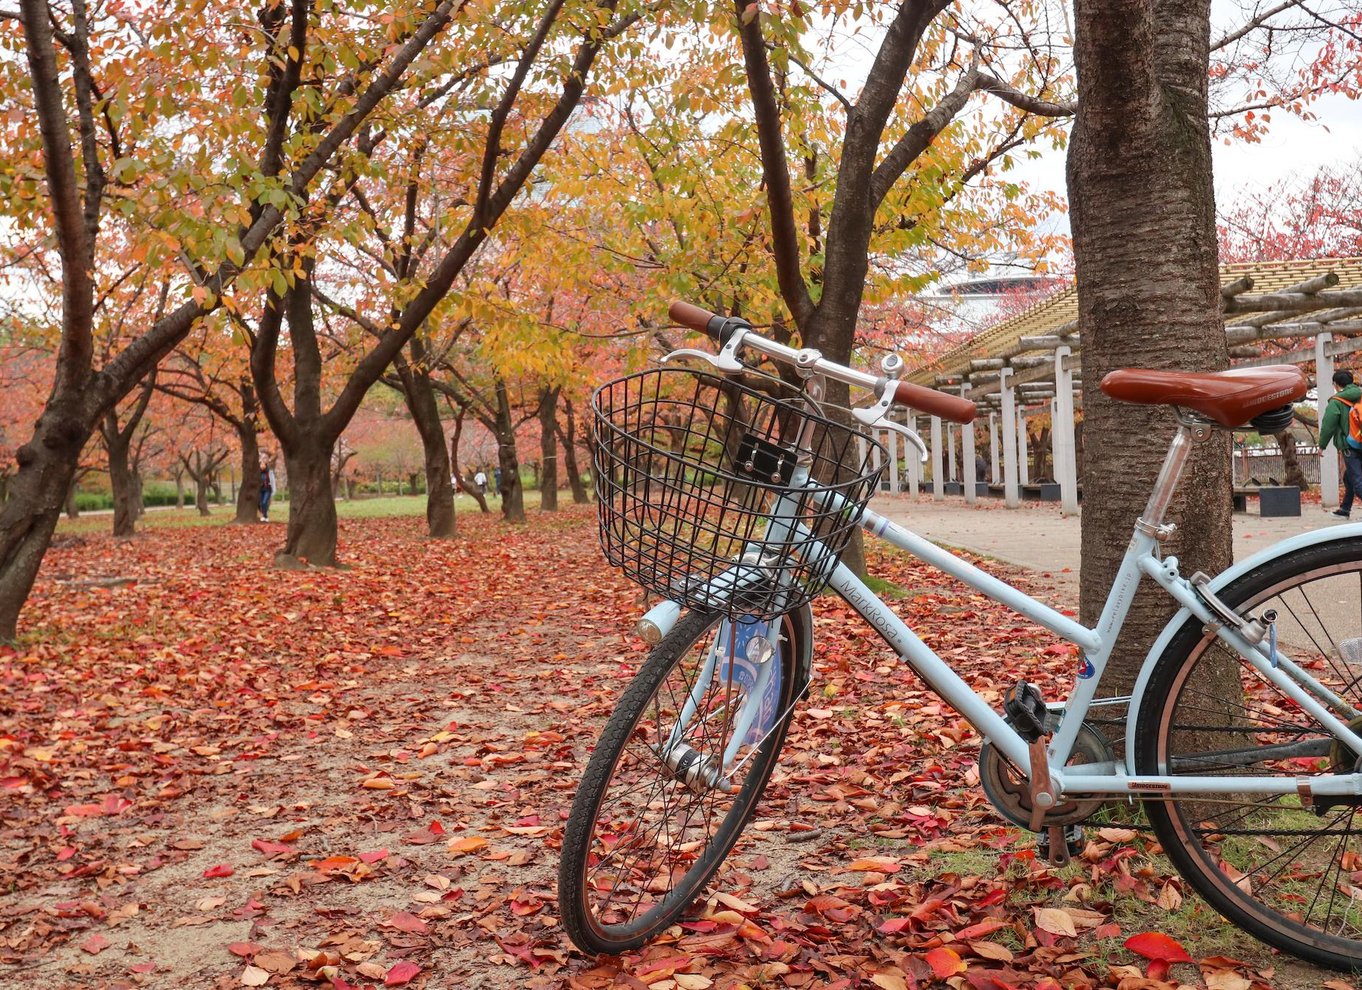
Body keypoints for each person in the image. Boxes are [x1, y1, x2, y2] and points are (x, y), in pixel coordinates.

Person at [1320, 369, 1362, 518]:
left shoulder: (1336, 401)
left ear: (1336, 385)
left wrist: (1321, 445)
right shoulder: (1360, 395)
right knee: (1348, 477)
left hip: (1351, 445)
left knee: (1357, 480)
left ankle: (1345, 509)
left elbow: (1328, 425)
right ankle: (1345, 509)